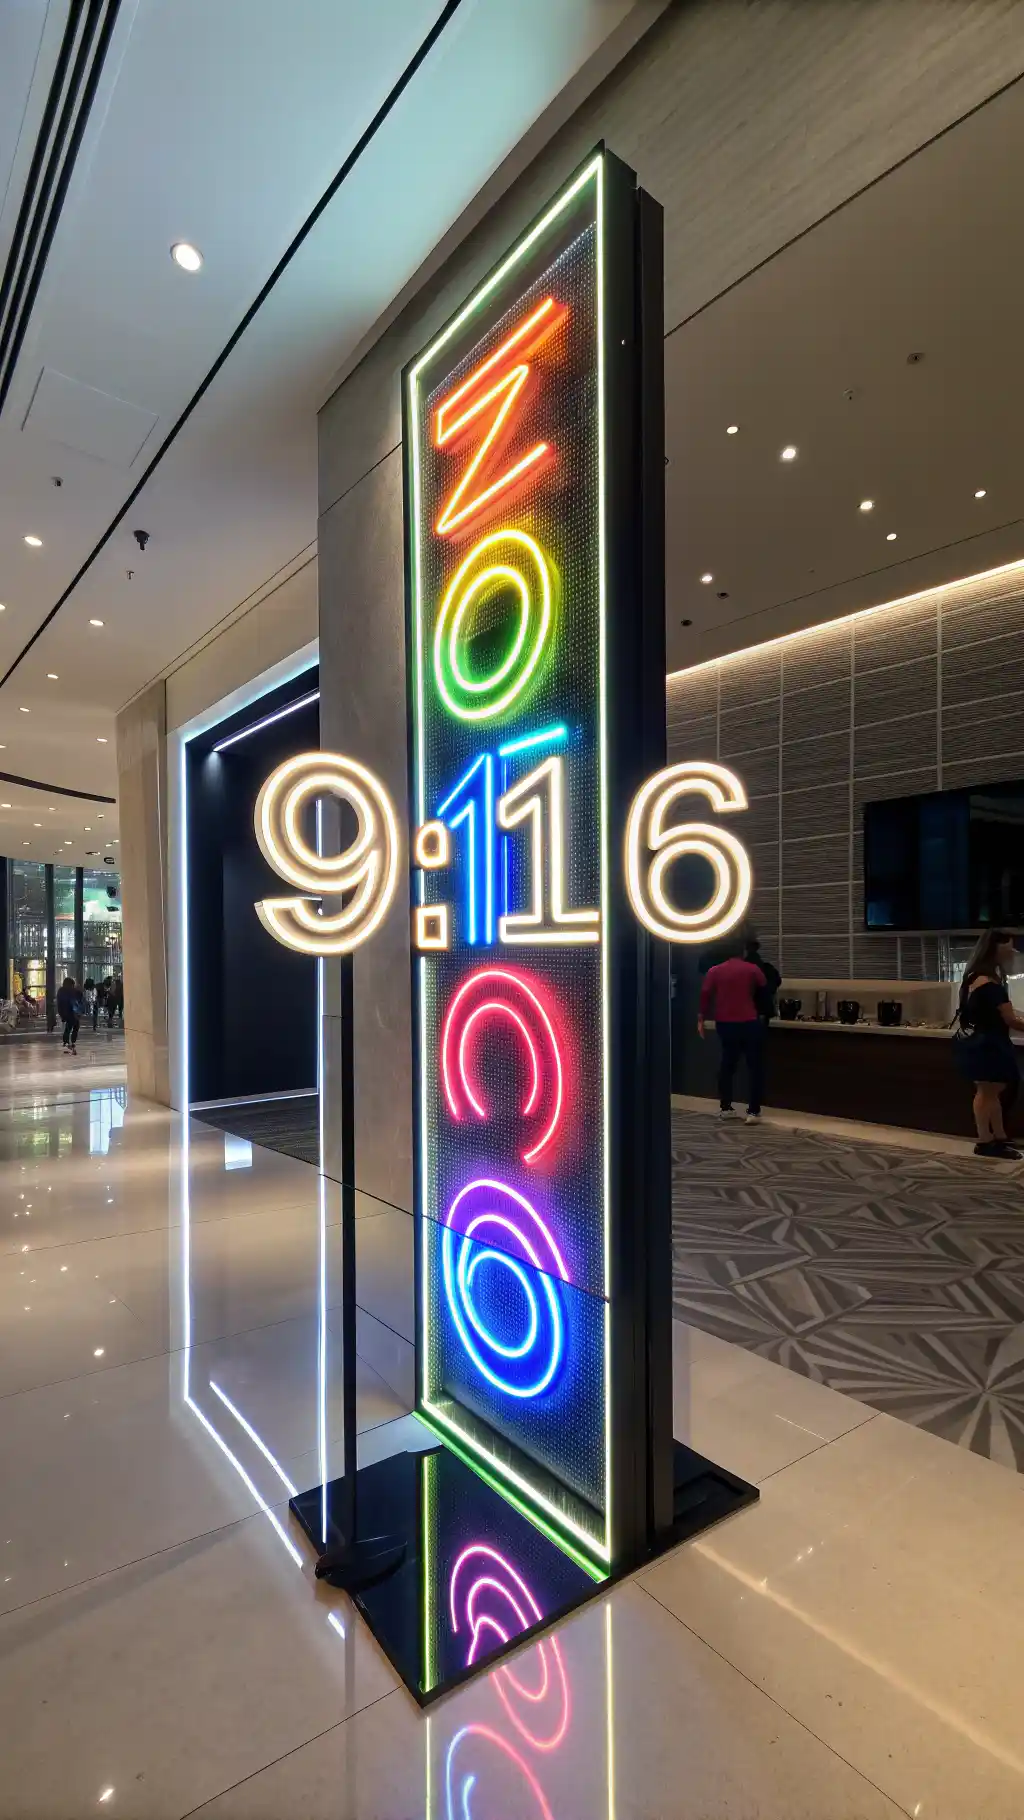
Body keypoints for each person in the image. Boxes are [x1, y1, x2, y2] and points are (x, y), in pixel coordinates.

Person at [952, 930, 1024, 1158]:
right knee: (986, 1092)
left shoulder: (973, 977)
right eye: (1008, 947)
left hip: (978, 1042)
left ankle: (999, 1137)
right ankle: (985, 1141)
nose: (1012, 952)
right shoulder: (989, 984)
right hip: (988, 1044)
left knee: (991, 1091)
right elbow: (1010, 1019)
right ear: (996, 948)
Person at [697, 941, 767, 1123]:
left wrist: (701, 1018)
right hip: (749, 1022)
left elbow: (705, 995)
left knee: (727, 1066)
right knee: (755, 1068)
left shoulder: (714, 971)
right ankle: (753, 1112)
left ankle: (726, 1108)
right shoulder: (752, 969)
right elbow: (765, 992)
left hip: (726, 1023)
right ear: (742, 952)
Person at [745, 935, 781, 1022]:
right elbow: (776, 984)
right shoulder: (768, 968)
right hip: (763, 1012)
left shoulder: (740, 968)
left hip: (745, 1013)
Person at [56, 975, 83, 1055]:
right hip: (70, 1012)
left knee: (70, 1027)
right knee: (73, 1026)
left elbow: (59, 1003)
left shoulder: (62, 991)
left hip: (67, 1012)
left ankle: (67, 1042)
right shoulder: (70, 991)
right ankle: (70, 1041)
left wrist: (61, 1013)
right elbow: (78, 998)